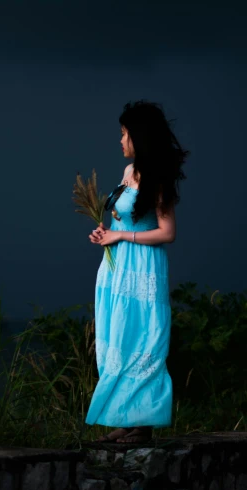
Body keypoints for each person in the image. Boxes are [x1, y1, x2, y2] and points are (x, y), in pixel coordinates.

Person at [86, 100, 188, 443]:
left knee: (143, 339)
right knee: (117, 340)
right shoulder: (128, 173)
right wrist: (106, 233)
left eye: (124, 134)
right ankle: (126, 419)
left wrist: (122, 235)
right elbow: (124, 217)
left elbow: (167, 232)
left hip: (143, 271)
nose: (120, 141)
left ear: (138, 136)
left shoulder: (156, 178)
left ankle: (142, 423)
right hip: (115, 270)